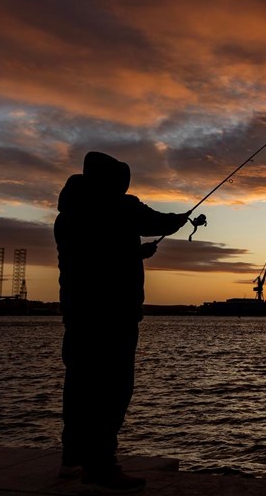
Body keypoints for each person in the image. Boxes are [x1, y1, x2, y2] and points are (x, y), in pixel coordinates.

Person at [54, 151, 189, 493]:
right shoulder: (122, 208)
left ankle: (72, 459)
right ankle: (101, 465)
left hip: (79, 312)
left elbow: (96, 256)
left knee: (81, 386)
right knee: (113, 388)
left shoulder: (69, 213)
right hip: (114, 314)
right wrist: (182, 218)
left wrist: (134, 253)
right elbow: (159, 222)